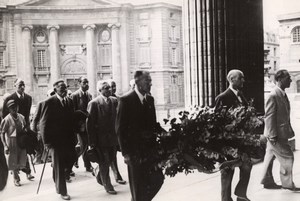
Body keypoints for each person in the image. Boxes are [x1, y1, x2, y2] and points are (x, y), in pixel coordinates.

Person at [116, 70, 164, 201]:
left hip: (150, 151)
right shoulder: (125, 100)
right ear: (137, 82)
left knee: (158, 179)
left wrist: (167, 134)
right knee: (138, 186)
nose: (150, 83)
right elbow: (120, 129)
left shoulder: (150, 99)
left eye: (150, 81)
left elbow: (153, 125)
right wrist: (125, 153)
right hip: (134, 152)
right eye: (147, 80)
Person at [215, 69, 251, 201]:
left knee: (247, 166)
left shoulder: (241, 95)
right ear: (232, 80)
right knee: (227, 172)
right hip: (228, 143)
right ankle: (225, 199)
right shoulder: (222, 97)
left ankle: (241, 195)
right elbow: (217, 123)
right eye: (240, 78)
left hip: (242, 140)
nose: (243, 80)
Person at [261, 69, 300, 191]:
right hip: (276, 135)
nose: (290, 79)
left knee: (269, 157)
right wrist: (272, 136)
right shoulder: (273, 95)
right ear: (279, 79)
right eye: (288, 77)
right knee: (288, 157)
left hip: (278, 133)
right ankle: (287, 184)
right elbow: (269, 117)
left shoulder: (282, 94)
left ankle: (266, 181)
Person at [39, 79, 77, 200]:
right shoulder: (49, 102)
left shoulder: (70, 101)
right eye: (61, 88)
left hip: (68, 140)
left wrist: (74, 136)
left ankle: (57, 174)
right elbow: (43, 124)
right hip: (55, 141)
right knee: (60, 166)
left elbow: (72, 120)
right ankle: (62, 191)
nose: (64, 90)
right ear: (55, 90)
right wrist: (46, 143)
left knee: (72, 159)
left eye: (65, 87)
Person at [86, 80, 121, 195]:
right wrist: (91, 141)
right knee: (105, 161)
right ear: (100, 90)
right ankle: (108, 185)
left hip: (113, 138)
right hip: (100, 139)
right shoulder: (94, 103)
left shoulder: (115, 101)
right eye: (106, 88)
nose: (109, 90)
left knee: (111, 159)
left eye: (109, 88)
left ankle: (97, 171)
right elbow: (89, 124)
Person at [2, 78, 34, 181]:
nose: (22, 87)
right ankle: (16, 177)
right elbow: (4, 115)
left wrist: (27, 128)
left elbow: (28, 114)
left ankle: (28, 172)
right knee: (14, 154)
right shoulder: (10, 98)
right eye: (20, 85)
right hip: (11, 130)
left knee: (25, 151)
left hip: (23, 126)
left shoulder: (28, 98)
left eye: (23, 84)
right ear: (15, 86)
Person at [0, 100, 27, 187]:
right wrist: (5, 146)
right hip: (12, 142)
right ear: (9, 109)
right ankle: (16, 178)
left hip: (21, 141)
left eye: (15, 107)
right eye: (12, 108)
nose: (14, 109)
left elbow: (25, 128)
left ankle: (20, 171)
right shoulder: (6, 119)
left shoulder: (21, 117)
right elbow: (2, 133)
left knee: (22, 158)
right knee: (13, 160)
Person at [70, 76, 93, 173]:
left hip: (89, 125)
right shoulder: (75, 95)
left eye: (87, 82)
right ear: (79, 83)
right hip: (80, 126)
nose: (86, 84)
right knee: (84, 145)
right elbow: (72, 111)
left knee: (86, 145)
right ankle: (88, 166)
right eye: (84, 82)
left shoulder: (90, 95)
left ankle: (74, 159)